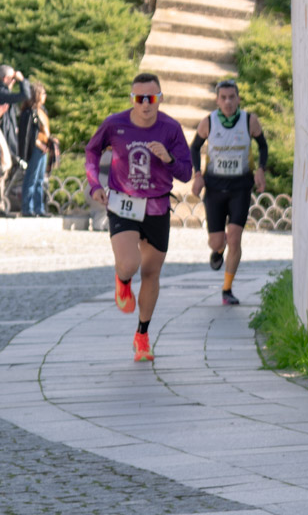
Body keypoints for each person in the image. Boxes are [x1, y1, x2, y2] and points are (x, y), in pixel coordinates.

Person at [85, 74, 193, 362]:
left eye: (151, 98)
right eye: (140, 98)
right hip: (123, 203)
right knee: (130, 264)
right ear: (132, 99)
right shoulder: (115, 124)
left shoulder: (171, 128)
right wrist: (95, 184)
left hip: (157, 206)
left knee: (151, 273)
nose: (146, 104)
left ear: (160, 98)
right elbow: (92, 151)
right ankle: (122, 279)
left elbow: (186, 172)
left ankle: (142, 335)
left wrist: (168, 158)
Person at [189, 79, 269, 305]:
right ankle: (217, 250)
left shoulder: (249, 120)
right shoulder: (208, 122)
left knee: (234, 238)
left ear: (238, 98)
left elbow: (263, 146)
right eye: (223, 98)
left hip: (240, 187)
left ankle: (227, 289)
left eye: (232, 97)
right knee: (216, 242)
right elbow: (194, 147)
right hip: (215, 188)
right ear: (217, 100)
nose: (228, 102)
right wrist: (198, 175)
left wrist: (260, 170)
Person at [0, 66, 32, 216]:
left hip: (5, 136)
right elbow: (26, 94)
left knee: (4, 168)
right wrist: (22, 80)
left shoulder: (4, 93)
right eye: (12, 79)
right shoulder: (2, 92)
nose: (14, 81)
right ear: (5, 79)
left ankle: (1, 206)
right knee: (5, 165)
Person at [17, 82, 52, 217]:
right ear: (37, 95)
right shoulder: (29, 112)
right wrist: (38, 144)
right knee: (31, 178)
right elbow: (27, 134)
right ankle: (27, 208)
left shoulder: (42, 110)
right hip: (35, 149)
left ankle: (39, 208)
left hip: (43, 148)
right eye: (43, 93)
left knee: (40, 180)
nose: (45, 96)